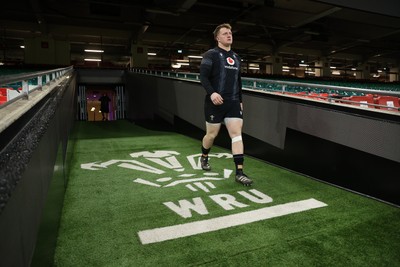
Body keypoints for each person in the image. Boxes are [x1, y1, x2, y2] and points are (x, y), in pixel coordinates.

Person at [199, 23, 253, 186]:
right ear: (217, 38)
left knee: (236, 135)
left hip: (233, 103)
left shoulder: (236, 57)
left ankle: (239, 172)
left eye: (230, 33)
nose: (229, 35)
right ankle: (204, 156)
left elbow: (238, 81)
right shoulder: (211, 55)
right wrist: (212, 93)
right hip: (215, 103)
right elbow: (203, 77)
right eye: (225, 33)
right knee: (211, 135)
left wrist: (241, 101)